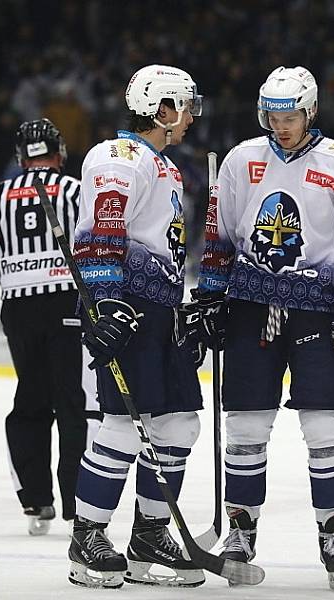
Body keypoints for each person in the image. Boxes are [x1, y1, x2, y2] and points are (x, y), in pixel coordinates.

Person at [185, 65, 334, 590]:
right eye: (272, 114)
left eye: (290, 114)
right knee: (246, 427)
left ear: (311, 110)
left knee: (325, 427)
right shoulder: (240, 159)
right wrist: (209, 294)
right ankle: (241, 531)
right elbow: (220, 234)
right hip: (251, 306)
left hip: (319, 309)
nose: (281, 124)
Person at [66, 64, 206, 589]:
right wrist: (104, 306)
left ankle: (148, 534)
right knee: (123, 428)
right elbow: (102, 231)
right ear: (162, 109)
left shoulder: (162, 165)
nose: (191, 116)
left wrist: (182, 305)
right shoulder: (117, 157)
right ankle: (88, 533)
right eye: (186, 106)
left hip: (159, 313)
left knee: (177, 427)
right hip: (125, 311)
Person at [0, 118, 95, 536]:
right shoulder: (76, 189)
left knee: (31, 400)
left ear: (21, 156)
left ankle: (36, 501)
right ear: (60, 152)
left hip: (18, 306)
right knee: (74, 403)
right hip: (68, 302)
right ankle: (79, 506)